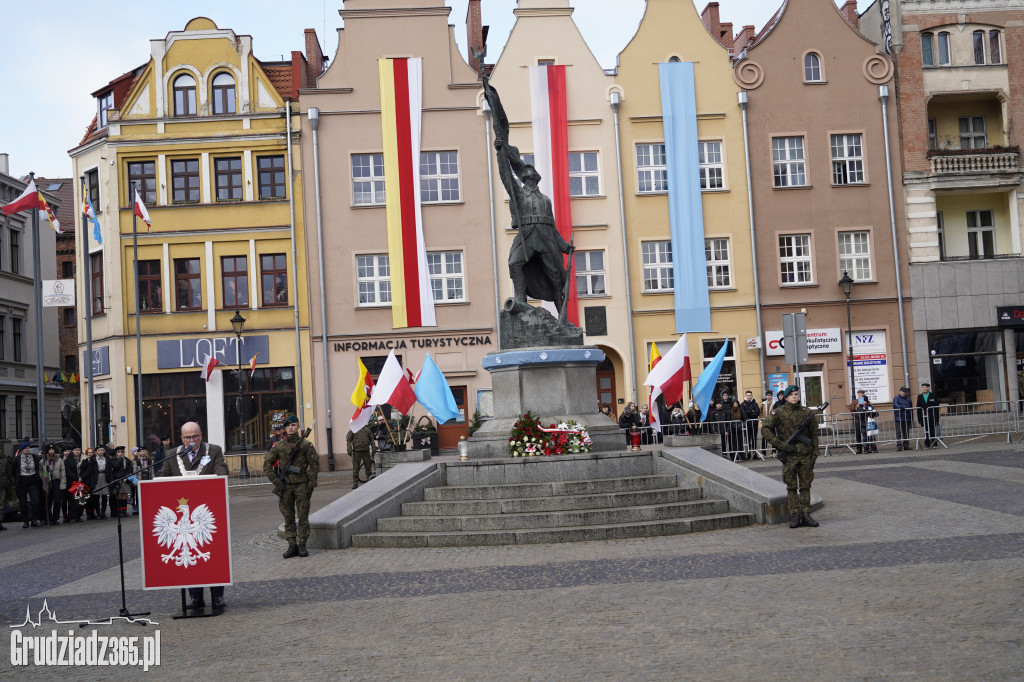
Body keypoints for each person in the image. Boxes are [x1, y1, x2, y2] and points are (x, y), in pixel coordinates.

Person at [160, 422, 228, 610]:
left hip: (209, 511)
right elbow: (162, 475)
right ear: (181, 438)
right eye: (188, 437)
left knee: (212, 553)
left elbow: (221, 470)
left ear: (201, 435)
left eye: (195, 437)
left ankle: (217, 596)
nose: (192, 441)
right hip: (181, 512)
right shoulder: (172, 454)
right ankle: (195, 596)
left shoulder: (213, 450)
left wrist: (216, 479)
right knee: (188, 555)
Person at [762, 385, 820, 528]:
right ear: (785, 397)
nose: (795, 396)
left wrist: (814, 454)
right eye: (792, 394)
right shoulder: (779, 412)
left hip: (805, 455)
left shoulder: (807, 412)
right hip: (789, 456)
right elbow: (765, 428)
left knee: (806, 485)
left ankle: (806, 514)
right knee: (792, 486)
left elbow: (814, 435)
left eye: (796, 394)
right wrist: (780, 445)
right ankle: (794, 514)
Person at [265, 415, 319, 558]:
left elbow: (314, 464)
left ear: (298, 427)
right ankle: (292, 545)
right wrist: (277, 482)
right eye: (288, 425)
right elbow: (267, 465)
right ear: (284, 428)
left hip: (302, 484)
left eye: (293, 425)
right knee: (288, 517)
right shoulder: (278, 446)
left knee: (303, 517)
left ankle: (302, 545)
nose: (290, 428)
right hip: (285, 487)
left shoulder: (306, 445)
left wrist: (311, 484)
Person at [12, 442, 42, 528]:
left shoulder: (34, 457)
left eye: (28, 448)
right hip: (22, 481)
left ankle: (34, 520)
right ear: (21, 450)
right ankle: (25, 521)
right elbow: (13, 471)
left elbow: (37, 467)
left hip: (32, 480)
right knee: (23, 502)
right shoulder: (17, 459)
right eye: (26, 448)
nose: (27, 449)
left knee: (35, 501)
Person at [346, 417, 376, 490]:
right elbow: (348, 440)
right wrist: (349, 450)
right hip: (356, 452)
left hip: (366, 451)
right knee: (355, 468)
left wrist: (373, 449)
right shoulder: (354, 429)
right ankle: (355, 483)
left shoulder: (367, 430)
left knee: (368, 468)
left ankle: (370, 482)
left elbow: (372, 440)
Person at [43, 446, 64, 525]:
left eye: (53, 449)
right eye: (50, 449)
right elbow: (41, 471)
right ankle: (49, 517)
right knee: (48, 501)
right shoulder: (43, 460)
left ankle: (56, 517)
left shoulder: (59, 460)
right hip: (47, 482)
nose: (51, 451)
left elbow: (62, 472)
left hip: (56, 481)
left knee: (57, 501)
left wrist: (62, 483)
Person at [916, 382, 940, 448]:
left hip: (932, 416)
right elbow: (918, 408)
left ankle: (934, 443)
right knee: (926, 430)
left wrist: (937, 418)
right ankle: (927, 443)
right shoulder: (920, 397)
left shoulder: (933, 396)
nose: (924, 389)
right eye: (923, 387)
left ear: (928, 388)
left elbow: (936, 407)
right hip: (924, 416)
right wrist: (919, 419)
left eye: (925, 387)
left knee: (932, 430)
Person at [739, 391, 761, 459]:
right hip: (747, 425)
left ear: (752, 396)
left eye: (750, 395)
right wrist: (751, 411)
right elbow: (743, 413)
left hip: (754, 424)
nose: (749, 396)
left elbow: (757, 412)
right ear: (745, 396)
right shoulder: (742, 404)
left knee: (754, 439)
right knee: (748, 440)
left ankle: (754, 454)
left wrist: (749, 412)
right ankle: (748, 454)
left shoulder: (755, 404)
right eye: (747, 395)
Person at [62, 446, 79, 523]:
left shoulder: (80, 459)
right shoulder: (66, 461)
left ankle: (77, 516)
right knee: (70, 500)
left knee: (77, 500)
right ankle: (70, 516)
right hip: (70, 482)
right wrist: (76, 478)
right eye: (75, 450)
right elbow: (68, 472)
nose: (68, 452)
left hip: (78, 481)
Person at [893, 386, 913, 451]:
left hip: (907, 418)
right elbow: (895, 404)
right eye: (902, 392)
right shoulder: (896, 398)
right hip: (898, 418)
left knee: (906, 432)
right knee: (898, 432)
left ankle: (906, 445)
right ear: (900, 391)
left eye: (905, 392)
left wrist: (911, 417)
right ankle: (899, 446)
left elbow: (911, 409)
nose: (903, 393)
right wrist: (900, 407)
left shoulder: (909, 399)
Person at [850, 389, 869, 453]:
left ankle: (867, 448)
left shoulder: (867, 401)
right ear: (858, 394)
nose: (861, 394)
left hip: (865, 420)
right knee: (858, 434)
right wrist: (858, 415)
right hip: (857, 420)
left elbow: (869, 408)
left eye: (862, 393)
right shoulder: (855, 402)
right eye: (860, 393)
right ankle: (859, 449)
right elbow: (852, 411)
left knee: (865, 434)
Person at [0, 445, 9, 531]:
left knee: (1, 506)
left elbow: (7, 473)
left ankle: (0, 522)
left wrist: (6, 483)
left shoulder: (3, 459)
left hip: (2, 486)